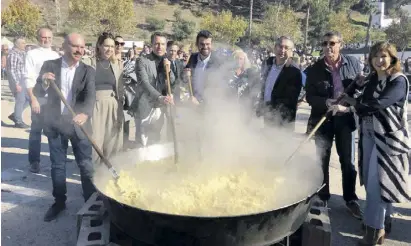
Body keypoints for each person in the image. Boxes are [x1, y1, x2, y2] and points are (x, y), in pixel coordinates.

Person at [331, 41, 411, 245]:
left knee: (378, 184)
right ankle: (385, 219)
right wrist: (355, 88)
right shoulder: (372, 80)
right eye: (375, 56)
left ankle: (373, 233)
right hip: (368, 135)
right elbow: (356, 99)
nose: (379, 60)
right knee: (370, 178)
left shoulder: (398, 81)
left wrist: (351, 105)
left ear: (392, 58)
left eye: (383, 56)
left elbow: (377, 105)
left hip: (389, 139)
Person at [34, 33, 96, 221]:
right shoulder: (50, 66)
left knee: (86, 165)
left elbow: (90, 97)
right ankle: (59, 202)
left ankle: (90, 202)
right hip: (55, 123)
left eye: (83, 47)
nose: (80, 50)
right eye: (76, 46)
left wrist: (85, 113)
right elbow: (38, 91)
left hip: (79, 124)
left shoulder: (87, 70)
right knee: (58, 166)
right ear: (65, 46)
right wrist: (44, 82)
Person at [305, 31, 362, 218]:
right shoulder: (314, 69)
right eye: (324, 43)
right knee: (322, 159)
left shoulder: (353, 63)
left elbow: (361, 90)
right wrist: (327, 102)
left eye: (332, 43)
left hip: (345, 119)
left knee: (347, 161)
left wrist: (354, 96)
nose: (328, 47)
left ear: (340, 45)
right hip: (324, 119)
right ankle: (323, 195)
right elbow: (310, 97)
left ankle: (350, 199)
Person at [24, 27, 60, 173]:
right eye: (43, 37)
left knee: (54, 131)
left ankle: (57, 158)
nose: (46, 40)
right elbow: (28, 77)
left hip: (53, 99)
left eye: (49, 37)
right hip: (38, 97)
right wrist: (33, 99)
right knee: (36, 131)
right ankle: (34, 161)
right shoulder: (32, 54)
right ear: (38, 38)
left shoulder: (55, 54)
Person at [129, 32, 175, 146]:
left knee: (156, 139)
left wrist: (168, 70)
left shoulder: (167, 61)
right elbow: (144, 83)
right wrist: (159, 97)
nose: (160, 47)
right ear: (152, 45)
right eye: (157, 43)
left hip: (161, 107)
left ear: (166, 46)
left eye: (163, 44)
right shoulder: (142, 61)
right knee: (142, 140)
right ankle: (140, 162)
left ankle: (153, 163)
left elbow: (172, 81)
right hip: (145, 105)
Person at [257, 36, 303, 128]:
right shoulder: (267, 63)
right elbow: (264, 87)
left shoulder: (294, 71)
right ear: (275, 48)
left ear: (291, 52)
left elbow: (291, 98)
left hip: (283, 119)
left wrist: (270, 107)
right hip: (267, 114)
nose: (282, 50)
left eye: (286, 48)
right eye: (280, 46)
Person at [92, 32, 124, 164]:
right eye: (106, 46)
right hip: (96, 106)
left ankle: (108, 170)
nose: (110, 49)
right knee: (95, 141)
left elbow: (120, 89)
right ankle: (93, 172)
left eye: (112, 46)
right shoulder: (89, 63)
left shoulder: (115, 66)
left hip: (113, 104)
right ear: (99, 46)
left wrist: (120, 110)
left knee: (112, 140)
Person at [6, 36, 30, 128]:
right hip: (17, 81)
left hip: (24, 80)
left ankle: (15, 115)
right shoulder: (13, 54)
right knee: (20, 100)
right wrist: (16, 83)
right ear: (17, 44)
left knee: (29, 99)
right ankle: (18, 121)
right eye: (23, 43)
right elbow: (12, 70)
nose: (25, 44)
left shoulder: (23, 53)